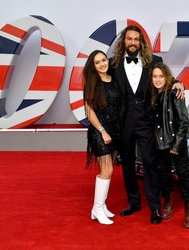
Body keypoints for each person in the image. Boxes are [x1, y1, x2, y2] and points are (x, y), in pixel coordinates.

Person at [109, 25, 184, 224]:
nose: (132, 42)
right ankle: (133, 202)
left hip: (147, 121)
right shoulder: (112, 64)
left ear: (141, 42)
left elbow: (167, 78)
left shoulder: (155, 61)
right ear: (123, 42)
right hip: (124, 122)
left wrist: (179, 83)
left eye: (136, 39)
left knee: (150, 164)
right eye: (129, 39)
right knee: (127, 165)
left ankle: (154, 207)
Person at [150, 62, 189, 228]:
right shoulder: (153, 95)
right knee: (164, 175)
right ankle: (168, 202)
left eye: (161, 76)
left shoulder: (175, 92)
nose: (157, 79)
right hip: (160, 144)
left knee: (183, 175)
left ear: (167, 77)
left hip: (176, 143)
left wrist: (176, 146)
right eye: (155, 76)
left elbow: (184, 122)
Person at [83, 50, 121, 225]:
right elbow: (89, 111)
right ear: (93, 66)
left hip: (114, 131)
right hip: (99, 132)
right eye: (97, 62)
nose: (102, 64)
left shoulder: (113, 80)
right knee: (107, 170)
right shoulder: (93, 83)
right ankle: (97, 209)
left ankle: (101, 206)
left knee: (109, 169)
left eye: (103, 60)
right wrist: (102, 131)